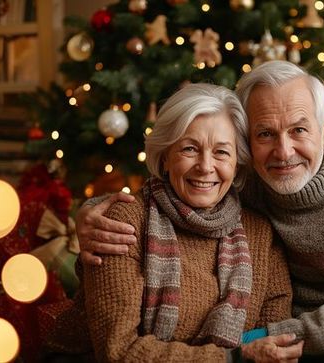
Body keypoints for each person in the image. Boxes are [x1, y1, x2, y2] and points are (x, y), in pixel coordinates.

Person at [76, 61, 324, 363]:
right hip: (302, 336)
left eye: (299, 130)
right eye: (265, 134)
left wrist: (256, 342)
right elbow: (178, 196)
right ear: (248, 141)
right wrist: (94, 213)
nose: (283, 152)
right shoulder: (247, 184)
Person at [44, 83, 304, 362]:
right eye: (190, 148)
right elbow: (119, 352)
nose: (205, 166)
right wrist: (231, 358)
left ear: (237, 163)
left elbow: (271, 339)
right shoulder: (124, 221)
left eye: (221, 152)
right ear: (165, 156)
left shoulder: (259, 233)